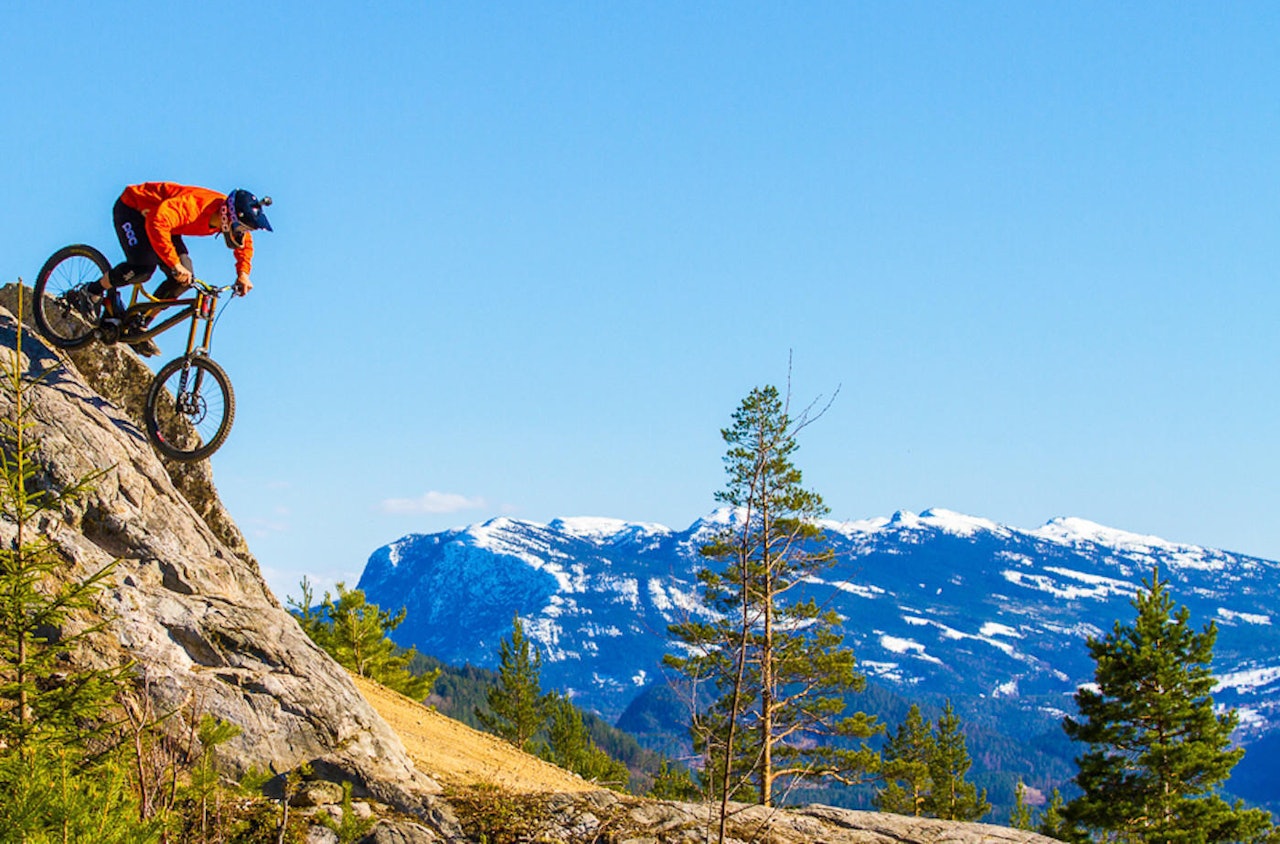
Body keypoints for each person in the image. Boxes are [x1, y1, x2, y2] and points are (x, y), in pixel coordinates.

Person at [68, 182, 273, 356]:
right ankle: (91, 291)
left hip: (165, 221)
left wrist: (243, 274)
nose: (243, 233)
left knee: (184, 280)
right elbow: (157, 222)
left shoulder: (227, 216)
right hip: (134, 209)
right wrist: (174, 264)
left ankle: (139, 324)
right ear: (228, 217)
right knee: (142, 267)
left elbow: (245, 245)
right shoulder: (194, 207)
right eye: (242, 228)